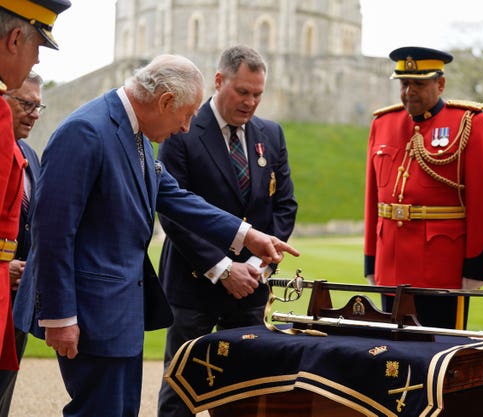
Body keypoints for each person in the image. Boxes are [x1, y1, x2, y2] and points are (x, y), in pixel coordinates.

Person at [24, 54, 299, 417]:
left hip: (121, 314)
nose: (187, 127)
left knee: (121, 410)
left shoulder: (136, 133)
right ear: (165, 101)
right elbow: (53, 230)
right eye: (186, 115)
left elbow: (176, 198)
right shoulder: (87, 131)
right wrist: (59, 317)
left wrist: (246, 236)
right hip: (90, 314)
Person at [156, 45, 297, 417]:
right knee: (181, 390)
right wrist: (221, 268)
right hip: (194, 283)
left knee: (244, 391)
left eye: (258, 94)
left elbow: (284, 206)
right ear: (219, 81)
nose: (251, 102)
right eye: (243, 92)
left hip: (251, 285)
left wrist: (256, 264)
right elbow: (173, 213)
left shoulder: (271, 134)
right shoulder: (182, 129)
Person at [363, 46, 483, 329]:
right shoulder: (383, 124)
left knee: (439, 355)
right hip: (390, 266)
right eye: (404, 84)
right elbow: (373, 199)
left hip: (442, 269)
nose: (409, 92)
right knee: (392, 353)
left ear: (440, 84)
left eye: (419, 83)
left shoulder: (469, 123)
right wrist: (371, 259)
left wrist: (477, 266)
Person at [0, 0, 70, 372]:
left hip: (17, 301)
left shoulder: (28, 153)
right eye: (37, 47)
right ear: (14, 39)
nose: (37, 61)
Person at [0, 71, 44, 417]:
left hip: (19, 299)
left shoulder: (29, 152)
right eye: (26, 104)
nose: (33, 113)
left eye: (39, 107)